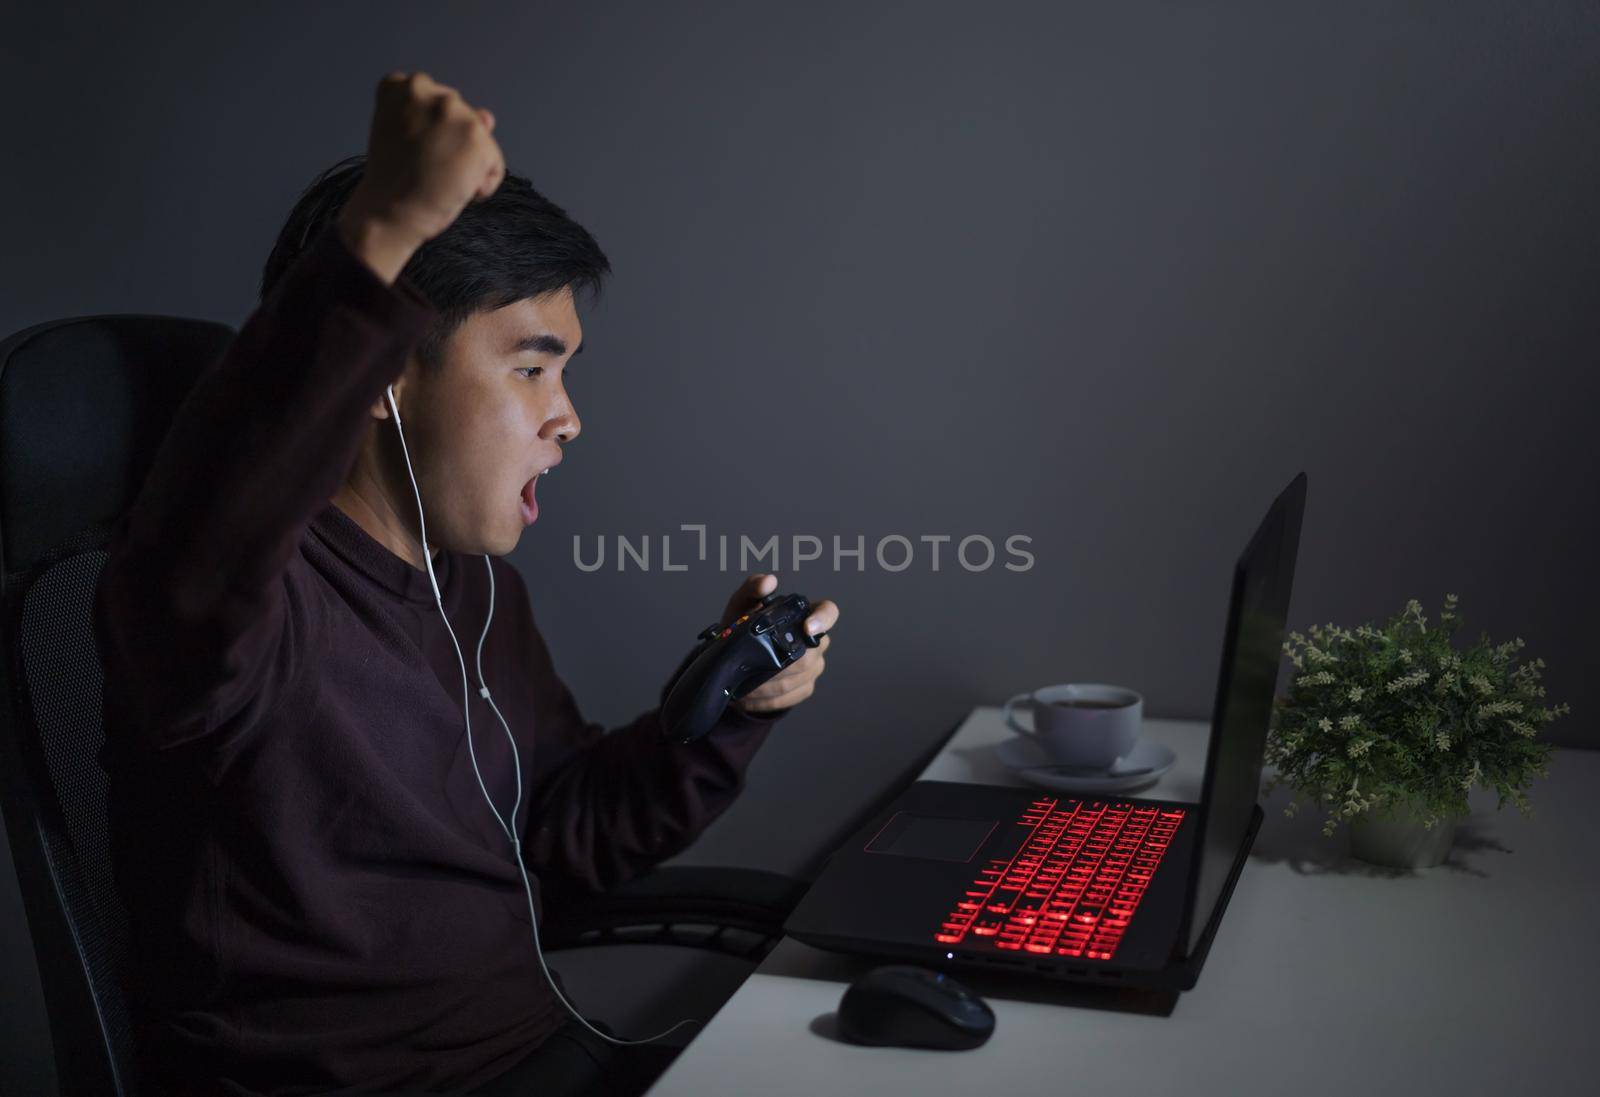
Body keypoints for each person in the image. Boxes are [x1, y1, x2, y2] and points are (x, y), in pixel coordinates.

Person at [91, 70, 839, 1096]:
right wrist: (385, 231)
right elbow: (216, 508)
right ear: (384, 375)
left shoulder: (475, 591)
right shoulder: (235, 605)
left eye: (566, 371)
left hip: (548, 1057)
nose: (567, 415)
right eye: (531, 367)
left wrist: (726, 709)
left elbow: (559, 839)